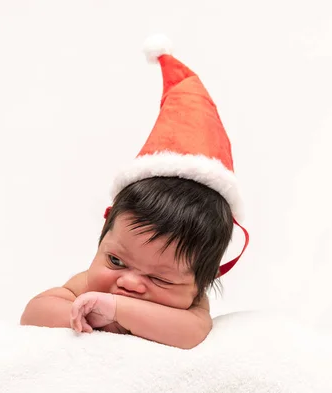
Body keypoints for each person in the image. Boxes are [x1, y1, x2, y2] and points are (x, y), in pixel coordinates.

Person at [20, 35, 248, 349]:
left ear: (199, 286)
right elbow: (34, 312)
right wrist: (79, 314)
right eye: (115, 260)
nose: (127, 283)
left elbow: (193, 333)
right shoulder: (89, 286)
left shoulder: (191, 310)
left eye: (160, 279)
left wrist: (119, 311)